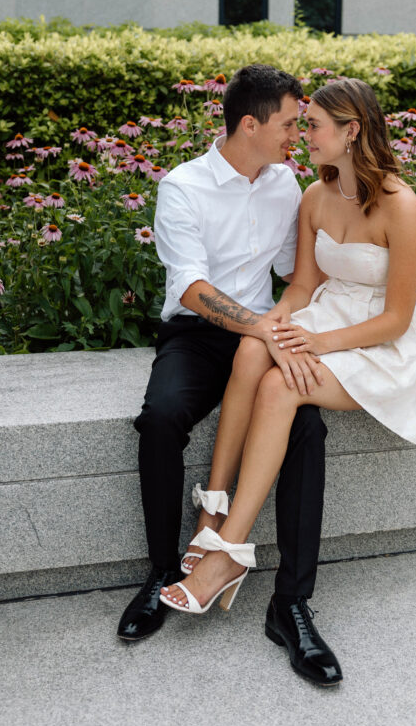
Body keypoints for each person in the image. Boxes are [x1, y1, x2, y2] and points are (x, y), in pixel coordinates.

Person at [160, 78, 416, 683]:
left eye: (312, 125)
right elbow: (303, 288)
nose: (302, 134)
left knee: (280, 385)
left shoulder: (401, 205)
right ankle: (212, 508)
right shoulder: (315, 194)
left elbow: (395, 317)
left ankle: (227, 554)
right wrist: (273, 328)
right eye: (299, 123)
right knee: (252, 357)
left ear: (351, 131)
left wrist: (314, 342)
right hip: (327, 315)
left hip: (381, 346)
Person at [118, 63, 343, 686]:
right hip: (198, 335)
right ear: (251, 123)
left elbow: (295, 275)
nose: (297, 134)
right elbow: (190, 288)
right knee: (160, 418)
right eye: (290, 123)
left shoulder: (284, 183)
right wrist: (260, 326)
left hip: (263, 337)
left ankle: (290, 605)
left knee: (307, 433)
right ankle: (166, 573)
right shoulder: (183, 186)